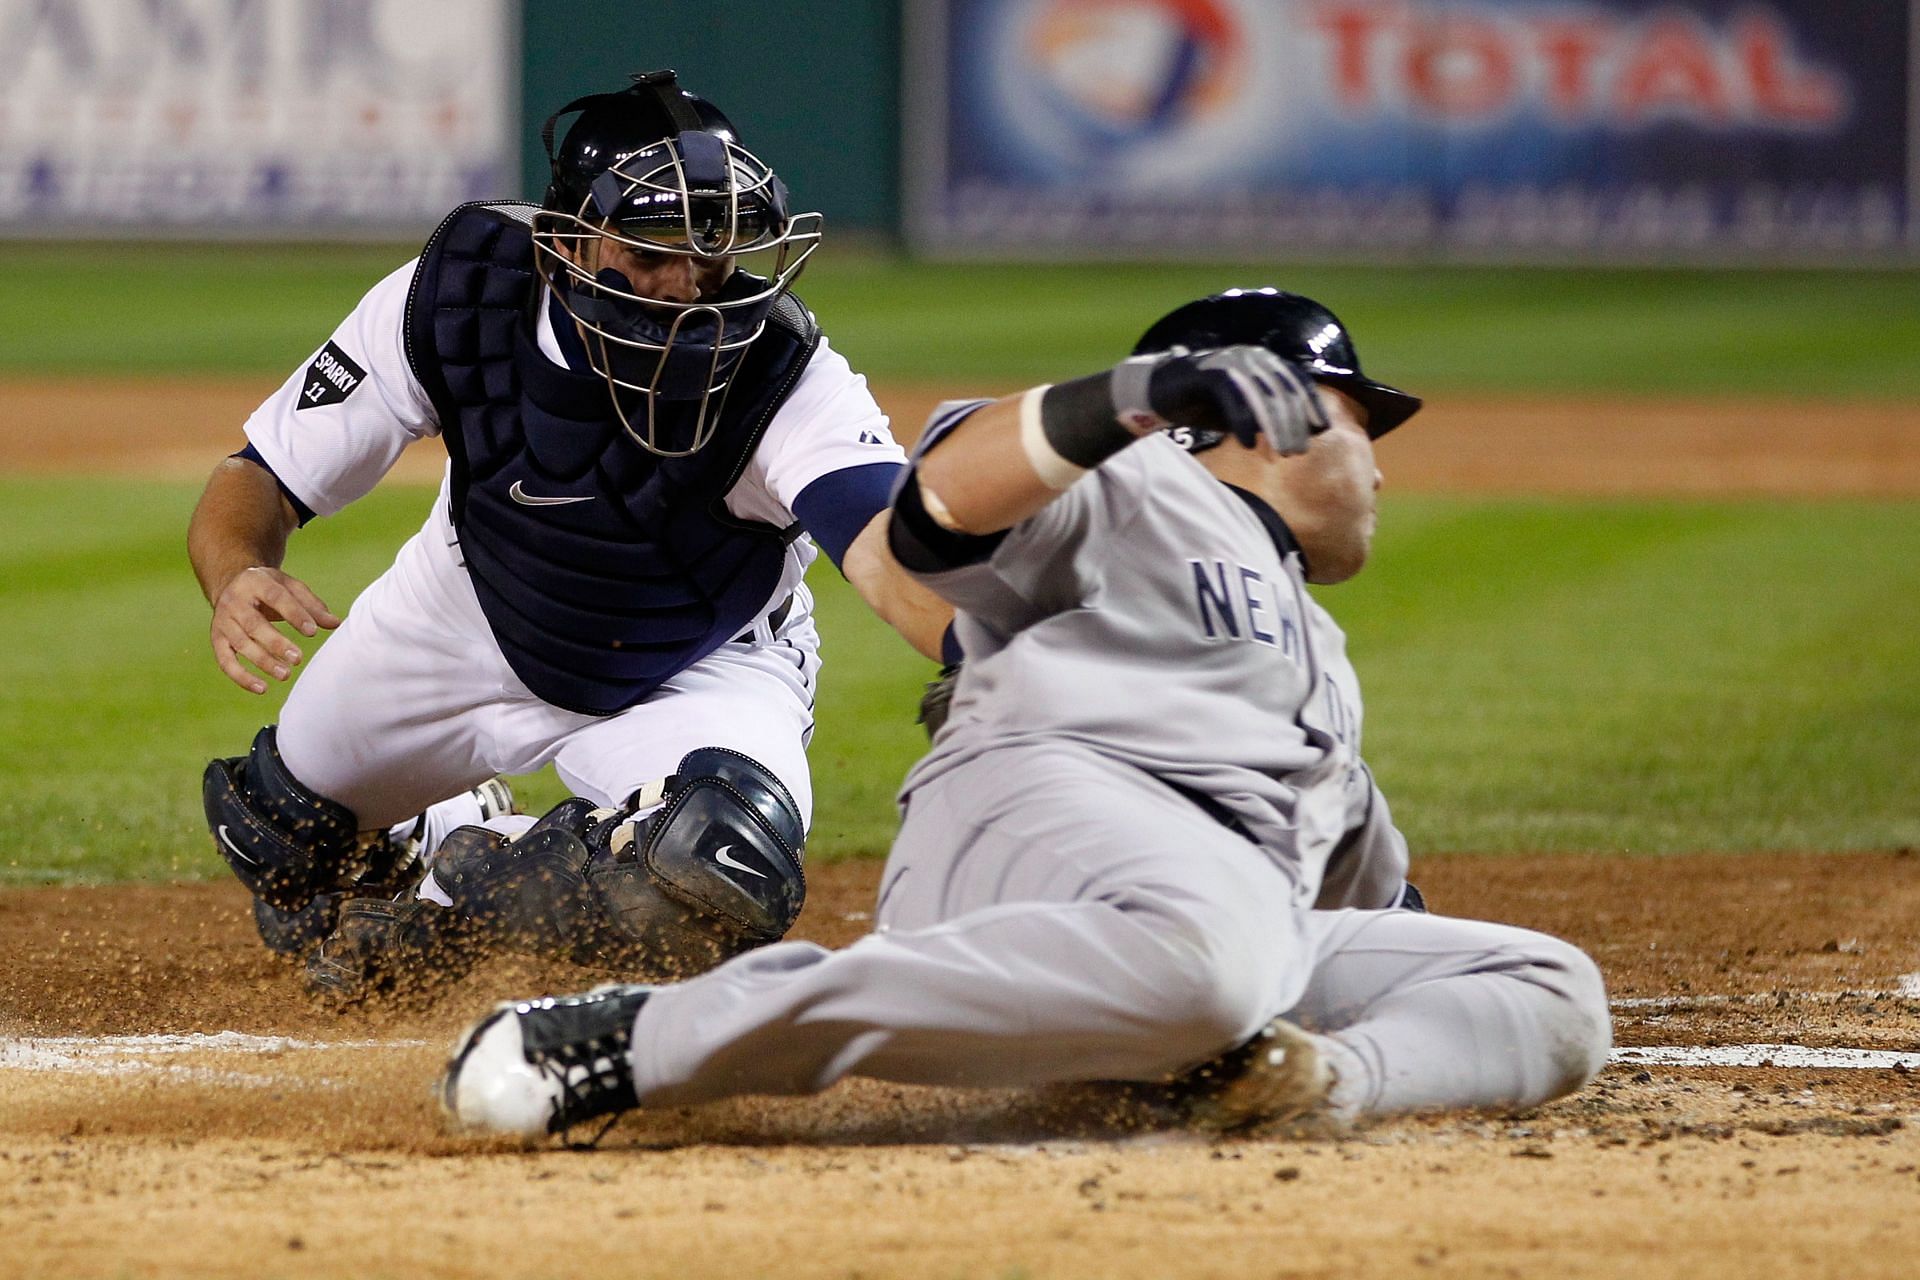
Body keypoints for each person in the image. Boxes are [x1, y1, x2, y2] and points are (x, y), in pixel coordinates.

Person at [435, 288, 1612, 1139]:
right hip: (1042, 827)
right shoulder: (1136, 487)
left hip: (1220, 908)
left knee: (1553, 988)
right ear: (1268, 413)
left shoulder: (1321, 655)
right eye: (1363, 423)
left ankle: (1302, 1080)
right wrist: (1145, 400)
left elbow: (1362, 893)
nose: (1380, 467)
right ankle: (630, 1038)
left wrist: (1395, 958)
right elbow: (937, 507)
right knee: (1215, 958)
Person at [189, 70, 950, 998]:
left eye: (715, 248)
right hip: (463, 615)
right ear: (568, 245)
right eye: (656, 243)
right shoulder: (460, 296)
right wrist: (237, 573)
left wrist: (977, 651)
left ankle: (465, 879)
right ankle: (437, 832)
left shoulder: (785, 375)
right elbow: (257, 477)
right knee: (279, 834)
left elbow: (885, 544)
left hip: (694, 659)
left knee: (714, 866)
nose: (690, 283)